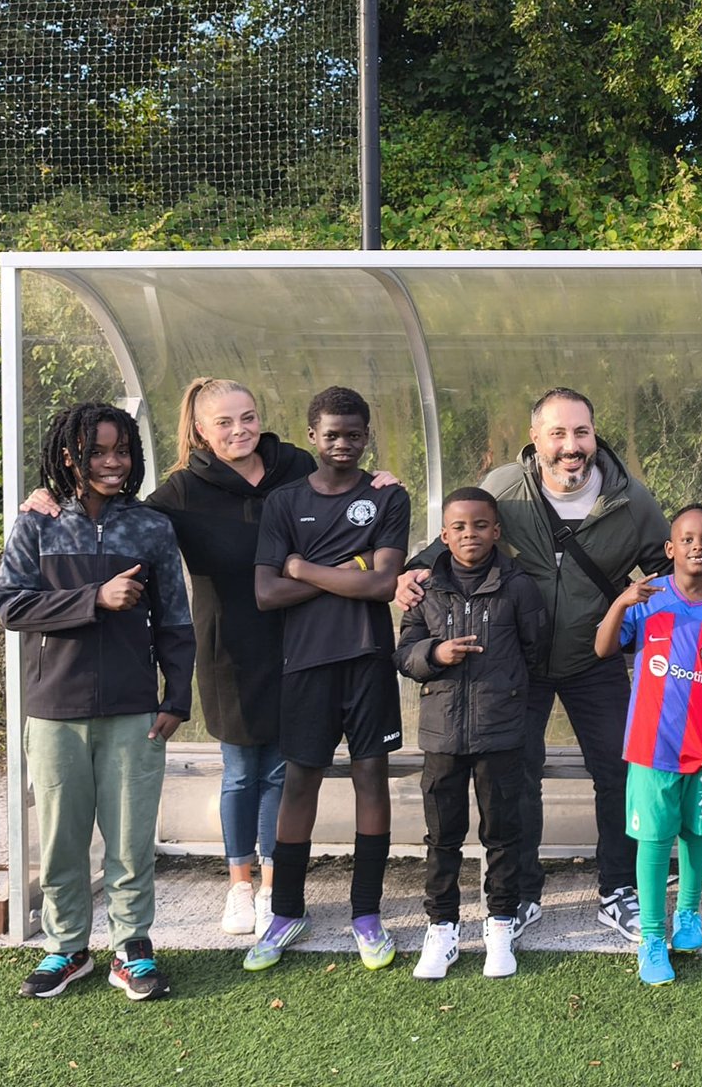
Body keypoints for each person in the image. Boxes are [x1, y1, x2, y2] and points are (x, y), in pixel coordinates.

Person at [18, 377, 397, 937]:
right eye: (224, 422)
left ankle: (273, 886)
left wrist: (380, 480)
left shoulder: (294, 466)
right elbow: (118, 512)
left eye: (248, 417)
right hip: (228, 644)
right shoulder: (181, 491)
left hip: (299, 637)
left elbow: (343, 486)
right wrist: (49, 495)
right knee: (241, 769)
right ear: (200, 430)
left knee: (281, 766)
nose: (240, 430)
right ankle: (239, 884)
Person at [395, 388, 702, 944]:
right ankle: (522, 893)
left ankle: (619, 890)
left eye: (581, 432)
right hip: (517, 663)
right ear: (535, 438)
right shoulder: (505, 488)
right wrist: (414, 571)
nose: (570, 446)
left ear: (593, 435)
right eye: (557, 433)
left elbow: (675, 559)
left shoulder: (629, 500)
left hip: (594, 657)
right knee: (517, 776)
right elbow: (460, 537)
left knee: (618, 773)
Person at [0, 403, 195, 1001]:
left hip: (134, 710)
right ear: (69, 456)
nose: (113, 463)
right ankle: (67, 948)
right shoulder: (38, 523)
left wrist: (175, 697)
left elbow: (176, 620)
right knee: (62, 838)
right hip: (54, 710)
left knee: (131, 839)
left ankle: (131, 947)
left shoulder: (151, 527)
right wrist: (94, 599)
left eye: (122, 451)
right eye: (97, 452)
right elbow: (11, 606)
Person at [244, 386, 410, 972]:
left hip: (367, 660)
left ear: (367, 436)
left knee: (371, 779)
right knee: (299, 784)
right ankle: (286, 911)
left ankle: (366, 913)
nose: (343, 443)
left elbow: (383, 584)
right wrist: (347, 570)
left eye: (354, 434)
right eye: (332, 434)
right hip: (305, 663)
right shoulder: (285, 502)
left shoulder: (386, 496)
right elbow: (267, 593)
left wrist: (303, 567)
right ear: (312, 435)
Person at [594, 504, 702, 985]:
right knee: (655, 840)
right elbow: (602, 648)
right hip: (652, 748)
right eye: (687, 539)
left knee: (697, 834)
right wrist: (621, 603)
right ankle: (651, 937)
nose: (697, 547)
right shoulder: (650, 599)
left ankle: (688, 914)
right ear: (670, 548)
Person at [395, 488, 547, 980]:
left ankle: (500, 923)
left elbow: (535, 650)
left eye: (480, 526)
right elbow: (405, 653)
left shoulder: (518, 586)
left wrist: (506, 693)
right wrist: (434, 655)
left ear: (496, 531)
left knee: (502, 834)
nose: (470, 535)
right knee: (442, 837)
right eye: (459, 527)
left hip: (500, 734)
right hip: (441, 736)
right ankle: (442, 927)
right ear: (444, 535)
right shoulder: (426, 588)